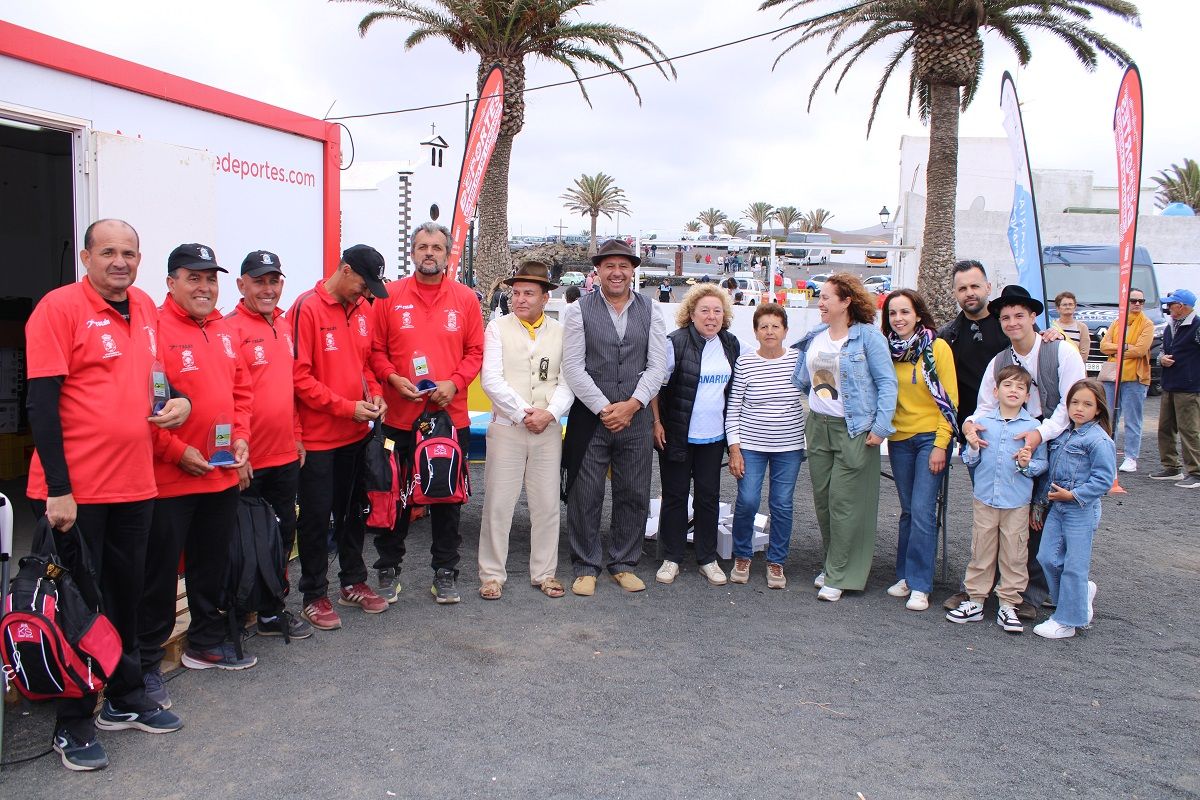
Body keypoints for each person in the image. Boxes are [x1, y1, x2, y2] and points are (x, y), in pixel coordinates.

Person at [25, 219, 189, 771]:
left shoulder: (143, 307)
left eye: (130, 253)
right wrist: (59, 489)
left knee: (125, 595)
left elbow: (156, 381)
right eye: (108, 252)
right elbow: (41, 405)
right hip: (78, 493)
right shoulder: (59, 309)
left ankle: (123, 697)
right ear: (85, 257)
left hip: (134, 484)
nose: (120, 262)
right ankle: (73, 723)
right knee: (76, 606)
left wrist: (181, 403)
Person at [140, 243, 254, 691]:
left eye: (210, 279)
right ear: (171, 283)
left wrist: (241, 438)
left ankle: (205, 642)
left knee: (211, 566)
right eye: (194, 278)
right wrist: (175, 452)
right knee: (159, 576)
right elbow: (143, 408)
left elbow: (241, 392)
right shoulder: (152, 329)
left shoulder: (224, 329)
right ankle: (146, 664)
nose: (204, 287)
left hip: (219, 475)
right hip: (172, 479)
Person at [370, 222, 483, 604]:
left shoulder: (465, 298)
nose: (429, 253)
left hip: (449, 417)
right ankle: (388, 567)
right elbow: (375, 350)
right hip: (399, 417)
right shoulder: (389, 296)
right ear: (412, 252)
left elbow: (476, 352)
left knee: (447, 496)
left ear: (448, 254)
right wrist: (391, 377)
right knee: (395, 495)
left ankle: (445, 572)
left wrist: (455, 383)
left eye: (436, 247)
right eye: (422, 247)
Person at [962, 284, 1086, 619]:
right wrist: (970, 425)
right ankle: (984, 589)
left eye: (1019, 315)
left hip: (1058, 440)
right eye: (1006, 317)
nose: (1012, 322)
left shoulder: (1061, 351)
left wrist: (1038, 434)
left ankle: (1032, 592)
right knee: (1001, 512)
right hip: (1013, 437)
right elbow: (985, 406)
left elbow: (1071, 403)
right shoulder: (1000, 361)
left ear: (1033, 317)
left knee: (1042, 518)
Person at [290, 244, 390, 631]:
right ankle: (314, 594)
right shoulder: (307, 307)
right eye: (363, 284)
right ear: (345, 270)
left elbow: (364, 364)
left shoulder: (362, 309)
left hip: (355, 435)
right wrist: (346, 407)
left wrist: (374, 393)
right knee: (316, 519)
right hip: (318, 439)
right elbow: (299, 378)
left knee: (354, 514)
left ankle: (352, 581)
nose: (365, 293)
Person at [561, 238, 668, 596]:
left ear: (633, 270)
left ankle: (624, 563)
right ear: (598, 270)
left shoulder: (652, 310)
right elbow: (573, 367)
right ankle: (585, 565)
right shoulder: (578, 310)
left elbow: (657, 366)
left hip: (636, 418)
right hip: (592, 417)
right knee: (585, 493)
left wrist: (633, 404)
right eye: (609, 266)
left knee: (634, 492)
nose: (617, 272)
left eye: (623, 266)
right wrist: (605, 408)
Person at [791, 273, 897, 602]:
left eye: (826, 297)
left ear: (846, 301)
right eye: (820, 297)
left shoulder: (868, 338)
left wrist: (880, 427)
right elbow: (804, 379)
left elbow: (887, 383)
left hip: (853, 428)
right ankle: (833, 564)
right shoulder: (816, 335)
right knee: (824, 502)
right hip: (817, 426)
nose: (820, 302)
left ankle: (840, 574)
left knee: (844, 503)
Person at [225, 250, 312, 641]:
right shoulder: (229, 329)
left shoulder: (285, 324)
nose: (267, 289)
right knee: (244, 539)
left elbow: (289, 390)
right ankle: (237, 611)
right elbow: (227, 398)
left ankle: (272, 610)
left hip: (284, 455)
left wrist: (297, 434)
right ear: (241, 285)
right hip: (248, 459)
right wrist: (235, 452)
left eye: (273, 281)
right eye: (258, 281)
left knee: (282, 534)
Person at [477, 262, 573, 600]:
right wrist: (522, 413)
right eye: (516, 293)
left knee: (546, 505)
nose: (519, 299)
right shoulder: (497, 328)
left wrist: (550, 413)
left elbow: (568, 381)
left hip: (547, 429)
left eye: (528, 293)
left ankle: (545, 573)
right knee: (498, 504)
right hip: (507, 428)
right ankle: (491, 574)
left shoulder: (561, 332)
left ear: (545, 298)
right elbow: (491, 379)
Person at [651, 284, 742, 586]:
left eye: (717, 311)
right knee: (675, 497)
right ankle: (672, 557)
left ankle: (707, 558)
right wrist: (656, 422)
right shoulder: (674, 342)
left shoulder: (730, 344)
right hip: (677, 434)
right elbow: (656, 386)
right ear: (691, 314)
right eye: (704, 310)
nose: (711, 316)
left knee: (708, 498)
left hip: (712, 438)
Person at [946, 365, 1047, 634]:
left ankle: (1008, 604)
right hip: (985, 499)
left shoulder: (1034, 427)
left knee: (1015, 554)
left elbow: (1042, 464)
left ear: (1028, 396)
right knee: (981, 549)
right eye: (1008, 385)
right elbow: (969, 459)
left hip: (1017, 502)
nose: (1013, 391)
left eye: (1020, 387)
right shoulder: (982, 423)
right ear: (995, 391)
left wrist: (1026, 465)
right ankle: (976, 600)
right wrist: (973, 447)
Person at [880, 289, 959, 612]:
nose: (898, 319)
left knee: (923, 510)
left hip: (931, 438)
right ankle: (905, 575)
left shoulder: (937, 348)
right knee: (908, 511)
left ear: (918, 315)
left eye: (905, 312)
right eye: (893, 313)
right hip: (900, 439)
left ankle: (921, 584)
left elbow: (949, 401)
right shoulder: (887, 350)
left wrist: (941, 444)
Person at [726, 303, 806, 589]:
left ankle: (776, 560)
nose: (770, 332)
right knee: (748, 500)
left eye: (775, 326)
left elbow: (819, 393)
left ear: (785, 330)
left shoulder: (799, 360)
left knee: (781, 504)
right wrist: (734, 448)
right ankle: (742, 555)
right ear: (756, 332)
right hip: (751, 444)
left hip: (789, 446)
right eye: (764, 327)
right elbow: (733, 409)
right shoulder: (745, 363)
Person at [1033, 378, 1116, 639]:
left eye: (1087, 404)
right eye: (1075, 402)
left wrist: (1074, 495)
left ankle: (1068, 620)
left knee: (1074, 565)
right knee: (1047, 557)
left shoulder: (1099, 440)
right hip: (1058, 506)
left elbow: (1104, 480)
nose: (1079, 408)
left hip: (1081, 509)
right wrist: (1041, 503)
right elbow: (1050, 472)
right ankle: (1076, 599)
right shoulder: (1063, 433)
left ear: (1098, 408)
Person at [1098, 287, 1152, 473]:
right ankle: (1107, 452)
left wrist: (1117, 349)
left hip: (1134, 377)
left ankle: (1131, 457)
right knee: (1108, 417)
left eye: (1141, 301)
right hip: (1112, 376)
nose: (1137, 304)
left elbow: (1140, 350)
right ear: (1125, 302)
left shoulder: (1147, 324)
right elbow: (1103, 346)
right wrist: (1126, 346)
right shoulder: (1117, 322)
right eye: (1133, 300)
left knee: (1132, 419)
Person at [1153, 289, 1200, 487]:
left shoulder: (1197, 326)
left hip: (1189, 387)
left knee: (1189, 430)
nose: (1168, 307)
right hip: (1169, 384)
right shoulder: (1170, 326)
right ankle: (1171, 467)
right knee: (1165, 428)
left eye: (1171, 304)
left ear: (1181, 306)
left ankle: (1196, 472)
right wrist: (1161, 359)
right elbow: (1162, 351)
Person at [1052, 291, 1092, 360]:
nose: (1068, 307)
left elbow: (1084, 353)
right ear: (1058, 308)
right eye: (1064, 305)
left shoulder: (1082, 327)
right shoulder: (1052, 326)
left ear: (1075, 307)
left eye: (1070, 304)